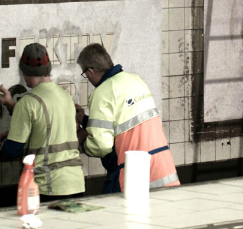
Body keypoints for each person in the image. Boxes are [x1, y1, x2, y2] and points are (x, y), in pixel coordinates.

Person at [76, 43, 179, 193]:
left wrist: (83, 140)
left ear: (90, 71)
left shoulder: (102, 92)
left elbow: (101, 145)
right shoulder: (135, 80)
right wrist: (85, 120)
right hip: (163, 169)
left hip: (132, 174)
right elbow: (123, 123)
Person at [0, 43, 85, 200]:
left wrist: (4, 140)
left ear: (24, 71)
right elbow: (46, 127)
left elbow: (12, 150)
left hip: (47, 187)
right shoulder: (66, 97)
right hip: (76, 183)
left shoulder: (27, 103)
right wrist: (11, 105)